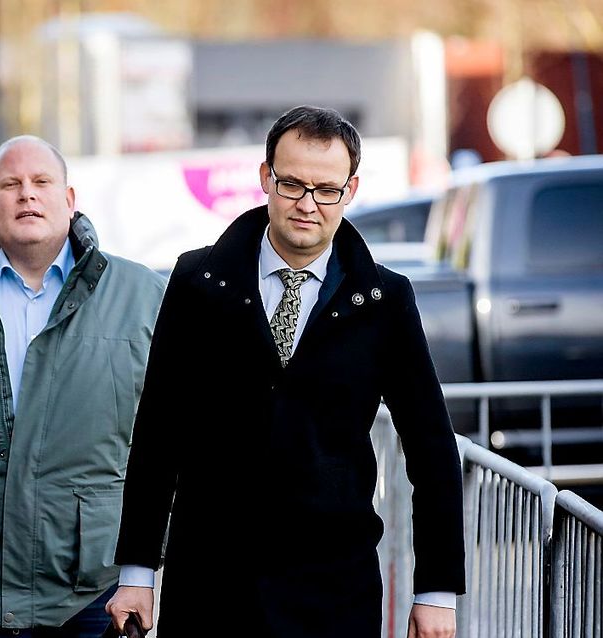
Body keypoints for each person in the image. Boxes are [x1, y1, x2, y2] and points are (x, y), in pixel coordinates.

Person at [106, 106, 465, 637]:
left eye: (326, 190)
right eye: (292, 184)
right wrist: (138, 571)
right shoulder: (198, 281)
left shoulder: (384, 300)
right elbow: (160, 431)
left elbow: (432, 448)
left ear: (351, 190)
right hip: (210, 583)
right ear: (264, 178)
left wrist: (436, 591)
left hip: (332, 590)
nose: (307, 204)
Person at [0, 135, 165, 638]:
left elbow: (171, 441)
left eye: (41, 182)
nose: (27, 194)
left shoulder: (144, 297)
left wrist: (142, 573)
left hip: (99, 592)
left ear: (70, 200)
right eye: (11, 184)